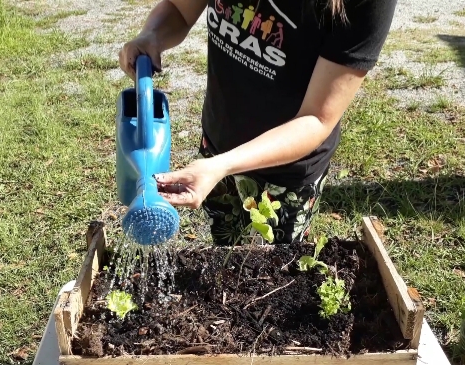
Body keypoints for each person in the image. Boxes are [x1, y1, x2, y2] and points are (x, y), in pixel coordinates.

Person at [119, 0, 397, 246]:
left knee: (271, 278)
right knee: (226, 252)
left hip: (284, 173)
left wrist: (221, 165)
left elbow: (316, 118)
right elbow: (180, 9)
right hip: (216, 146)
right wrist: (152, 36)